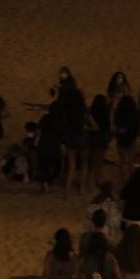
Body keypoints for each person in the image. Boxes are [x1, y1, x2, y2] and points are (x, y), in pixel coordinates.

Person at [55, 67, 89, 199]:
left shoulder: (66, 106)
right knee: (84, 163)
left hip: (71, 133)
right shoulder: (79, 101)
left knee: (71, 163)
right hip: (81, 132)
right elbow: (86, 114)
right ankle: (82, 189)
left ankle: (67, 191)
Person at [113, 90, 140, 185]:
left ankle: (122, 180)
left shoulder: (118, 114)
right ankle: (131, 181)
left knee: (121, 161)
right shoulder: (136, 115)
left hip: (121, 140)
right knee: (131, 162)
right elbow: (138, 129)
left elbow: (117, 127)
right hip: (132, 140)